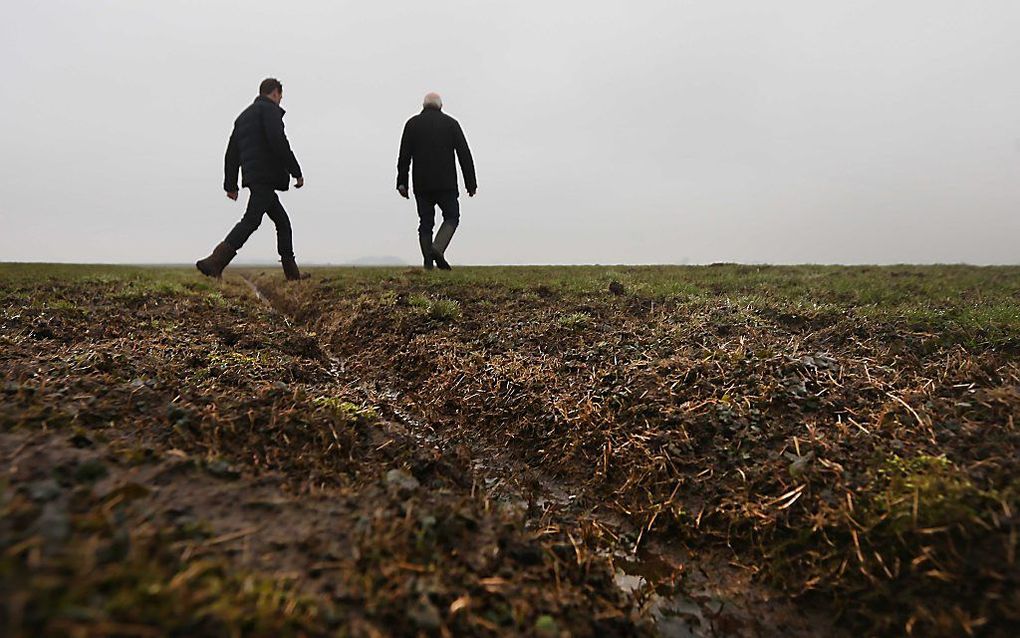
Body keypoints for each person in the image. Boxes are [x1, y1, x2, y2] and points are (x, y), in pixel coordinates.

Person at [197, 78, 307, 280]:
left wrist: (231, 185)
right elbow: (279, 141)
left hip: (255, 177)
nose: (280, 101)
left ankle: (293, 275)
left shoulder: (243, 117)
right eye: (280, 97)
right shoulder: (270, 111)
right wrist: (296, 171)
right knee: (251, 221)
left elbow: (232, 152)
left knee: (282, 222)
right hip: (265, 177)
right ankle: (215, 262)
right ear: (275, 93)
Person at [396, 92, 477, 270]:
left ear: (424, 105)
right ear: (440, 105)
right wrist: (470, 183)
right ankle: (437, 248)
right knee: (452, 217)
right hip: (446, 183)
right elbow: (465, 155)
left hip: (422, 184)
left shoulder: (412, 124)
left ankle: (428, 263)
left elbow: (404, 156)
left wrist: (402, 182)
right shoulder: (451, 124)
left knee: (425, 222)